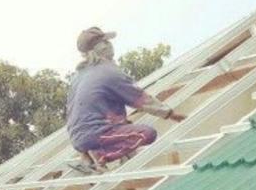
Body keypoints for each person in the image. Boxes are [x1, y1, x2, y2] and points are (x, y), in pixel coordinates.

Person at [66, 27, 184, 173]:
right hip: (98, 134)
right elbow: (139, 98)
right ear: (103, 46)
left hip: (77, 139)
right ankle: (100, 156)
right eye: (107, 42)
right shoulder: (108, 72)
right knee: (146, 133)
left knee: (125, 131)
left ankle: (86, 156)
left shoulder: (78, 77)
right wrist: (170, 114)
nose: (110, 45)